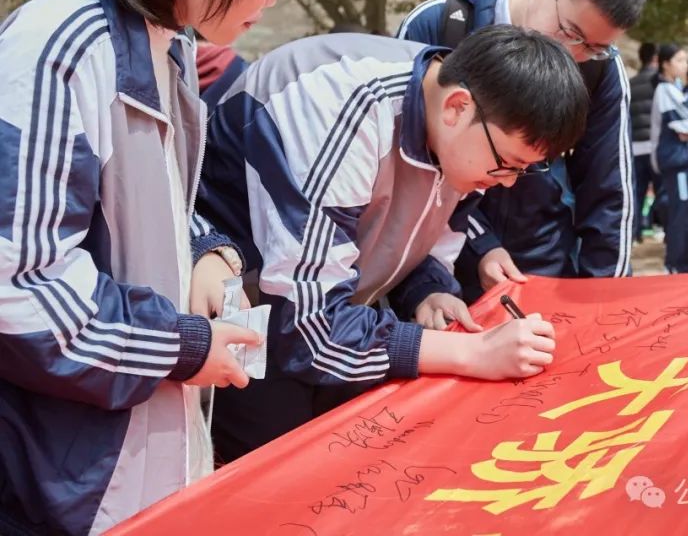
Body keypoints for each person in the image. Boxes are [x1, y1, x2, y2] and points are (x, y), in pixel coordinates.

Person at [0, 0, 320, 533]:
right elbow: (18, 284)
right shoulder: (61, 45)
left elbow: (155, 209)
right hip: (63, 475)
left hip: (144, 456)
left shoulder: (167, 50)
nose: (270, 0)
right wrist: (182, 346)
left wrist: (210, 251)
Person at [197, 25, 589, 460]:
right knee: (276, 482)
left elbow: (415, 219)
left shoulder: (464, 117)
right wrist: (471, 352)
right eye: (507, 165)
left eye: (525, 169)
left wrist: (426, 287)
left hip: (330, 308)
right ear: (457, 108)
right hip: (253, 315)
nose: (509, 183)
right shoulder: (346, 108)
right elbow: (309, 330)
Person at [395, 0, 651, 301]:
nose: (576, 55)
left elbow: (610, 191)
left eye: (596, 47)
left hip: (537, 265)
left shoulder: (600, 68)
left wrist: (604, 300)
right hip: (432, 265)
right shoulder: (442, 24)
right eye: (570, 32)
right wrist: (480, 243)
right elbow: (406, 162)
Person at [650, 44, 688, 273]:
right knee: (682, 212)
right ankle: (678, 264)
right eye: (679, 60)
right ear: (666, 64)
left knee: (685, 210)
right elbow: (686, 126)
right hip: (676, 160)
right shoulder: (666, 90)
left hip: (680, 159)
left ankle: (682, 262)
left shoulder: (676, 88)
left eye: (685, 60)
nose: (685, 64)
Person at [629, 42, 660, 242]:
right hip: (656, 147)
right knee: (661, 191)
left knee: (637, 192)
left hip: (635, 146)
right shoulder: (658, 83)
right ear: (656, 58)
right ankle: (659, 227)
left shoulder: (631, 83)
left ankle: (635, 232)